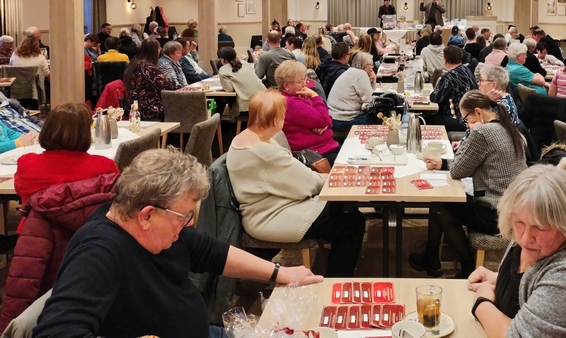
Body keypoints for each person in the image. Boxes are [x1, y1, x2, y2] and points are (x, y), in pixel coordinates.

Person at [32, 148, 322, 338]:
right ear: (147, 214)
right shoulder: (99, 251)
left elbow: (212, 252)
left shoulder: (159, 228)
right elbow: (55, 332)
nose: (189, 224)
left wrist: (279, 272)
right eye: (184, 216)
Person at [227, 91, 364, 277]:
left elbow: (294, 179)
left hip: (267, 207)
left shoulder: (245, 137)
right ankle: (335, 282)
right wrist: (331, 177)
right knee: (352, 221)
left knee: (344, 211)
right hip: (271, 216)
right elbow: (307, 184)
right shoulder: (265, 153)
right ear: (276, 120)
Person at [466, 165, 566, 338]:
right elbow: (531, 287)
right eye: (519, 222)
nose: (526, 238)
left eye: (540, 228)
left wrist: (482, 302)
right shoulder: (533, 239)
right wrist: (499, 279)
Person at [410, 91, 528, 279]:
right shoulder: (510, 128)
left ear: (478, 113)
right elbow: (472, 163)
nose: (465, 123)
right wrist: (443, 163)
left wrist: (469, 135)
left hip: (496, 214)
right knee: (442, 204)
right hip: (516, 208)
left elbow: (458, 171)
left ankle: (466, 266)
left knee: (440, 205)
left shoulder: (483, 132)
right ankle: (432, 258)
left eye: (466, 118)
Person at [14, 103, 118, 212]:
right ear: (86, 133)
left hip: (35, 227)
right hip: (87, 227)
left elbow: (19, 190)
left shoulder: (26, 163)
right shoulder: (104, 167)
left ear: (47, 128)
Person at [275, 60, 338, 163]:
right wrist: (315, 96)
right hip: (315, 155)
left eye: (304, 79)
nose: (304, 83)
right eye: (300, 82)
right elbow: (323, 118)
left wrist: (326, 125)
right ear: (286, 86)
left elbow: (327, 117)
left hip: (325, 147)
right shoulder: (292, 103)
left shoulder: (298, 95)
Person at [428, 46, 479, 132]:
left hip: (457, 119)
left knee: (424, 120)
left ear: (444, 60)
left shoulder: (449, 77)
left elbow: (435, 98)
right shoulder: (467, 70)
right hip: (471, 117)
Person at [327, 52, 377, 133]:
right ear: (365, 65)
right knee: (380, 118)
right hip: (344, 120)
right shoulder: (361, 74)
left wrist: (373, 80)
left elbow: (368, 95)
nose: (372, 68)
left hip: (333, 117)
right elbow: (370, 99)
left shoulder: (350, 71)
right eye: (371, 64)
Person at [123, 38, 173, 120]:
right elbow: (167, 88)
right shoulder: (149, 68)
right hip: (147, 108)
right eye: (159, 48)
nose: (160, 50)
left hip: (130, 106)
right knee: (179, 105)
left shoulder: (132, 64)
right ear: (155, 50)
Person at [217, 46, 264, 116]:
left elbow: (229, 90)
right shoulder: (244, 63)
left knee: (222, 99)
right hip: (264, 99)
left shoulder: (223, 70)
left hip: (248, 106)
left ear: (223, 60)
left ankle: (220, 122)